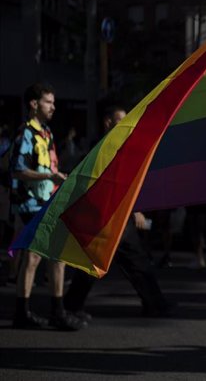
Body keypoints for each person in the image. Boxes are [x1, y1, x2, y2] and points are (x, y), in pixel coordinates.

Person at [64, 106, 174, 319]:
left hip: (115, 215)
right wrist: (136, 210)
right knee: (104, 262)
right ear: (108, 122)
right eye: (120, 120)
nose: (126, 124)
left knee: (131, 261)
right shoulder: (106, 147)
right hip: (106, 216)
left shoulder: (115, 145)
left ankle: (154, 303)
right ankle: (71, 305)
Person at [10, 82, 86, 330]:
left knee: (54, 255)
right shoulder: (26, 134)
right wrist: (49, 177)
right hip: (30, 203)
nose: (53, 107)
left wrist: (58, 177)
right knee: (36, 256)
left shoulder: (47, 133)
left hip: (47, 201)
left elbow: (48, 168)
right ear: (34, 104)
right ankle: (34, 312)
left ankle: (52, 310)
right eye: (48, 102)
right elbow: (18, 170)